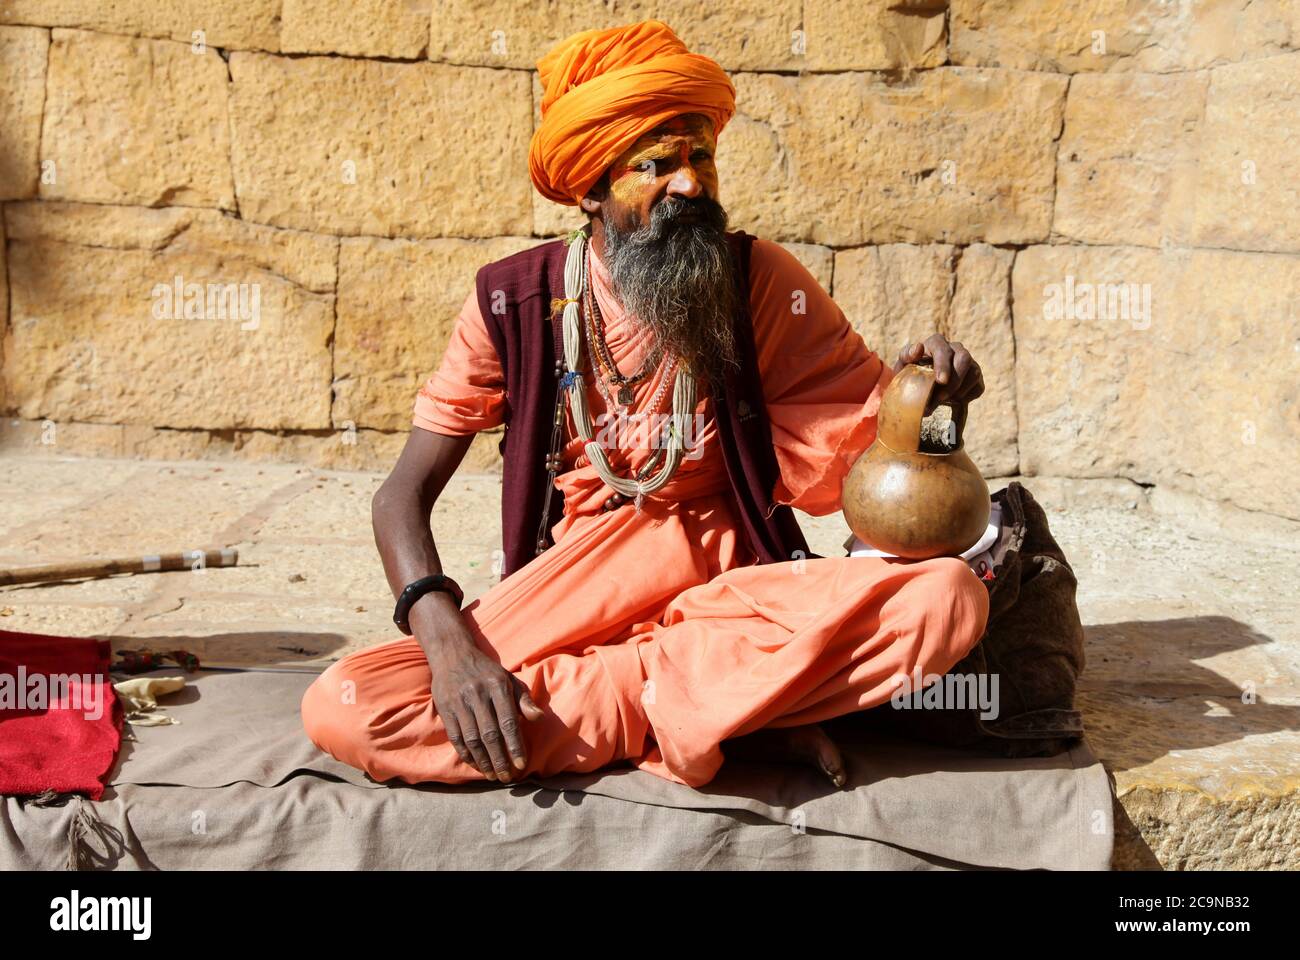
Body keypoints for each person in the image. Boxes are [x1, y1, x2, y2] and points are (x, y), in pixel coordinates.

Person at [301, 19, 989, 790]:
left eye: (702, 159)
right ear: (590, 188)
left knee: (946, 600)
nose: (691, 185)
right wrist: (447, 643)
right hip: (575, 588)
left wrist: (923, 399)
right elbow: (402, 492)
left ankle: (671, 704)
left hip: (734, 592)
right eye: (656, 165)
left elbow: (866, 464)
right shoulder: (514, 300)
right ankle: (724, 711)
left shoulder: (758, 279)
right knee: (349, 705)